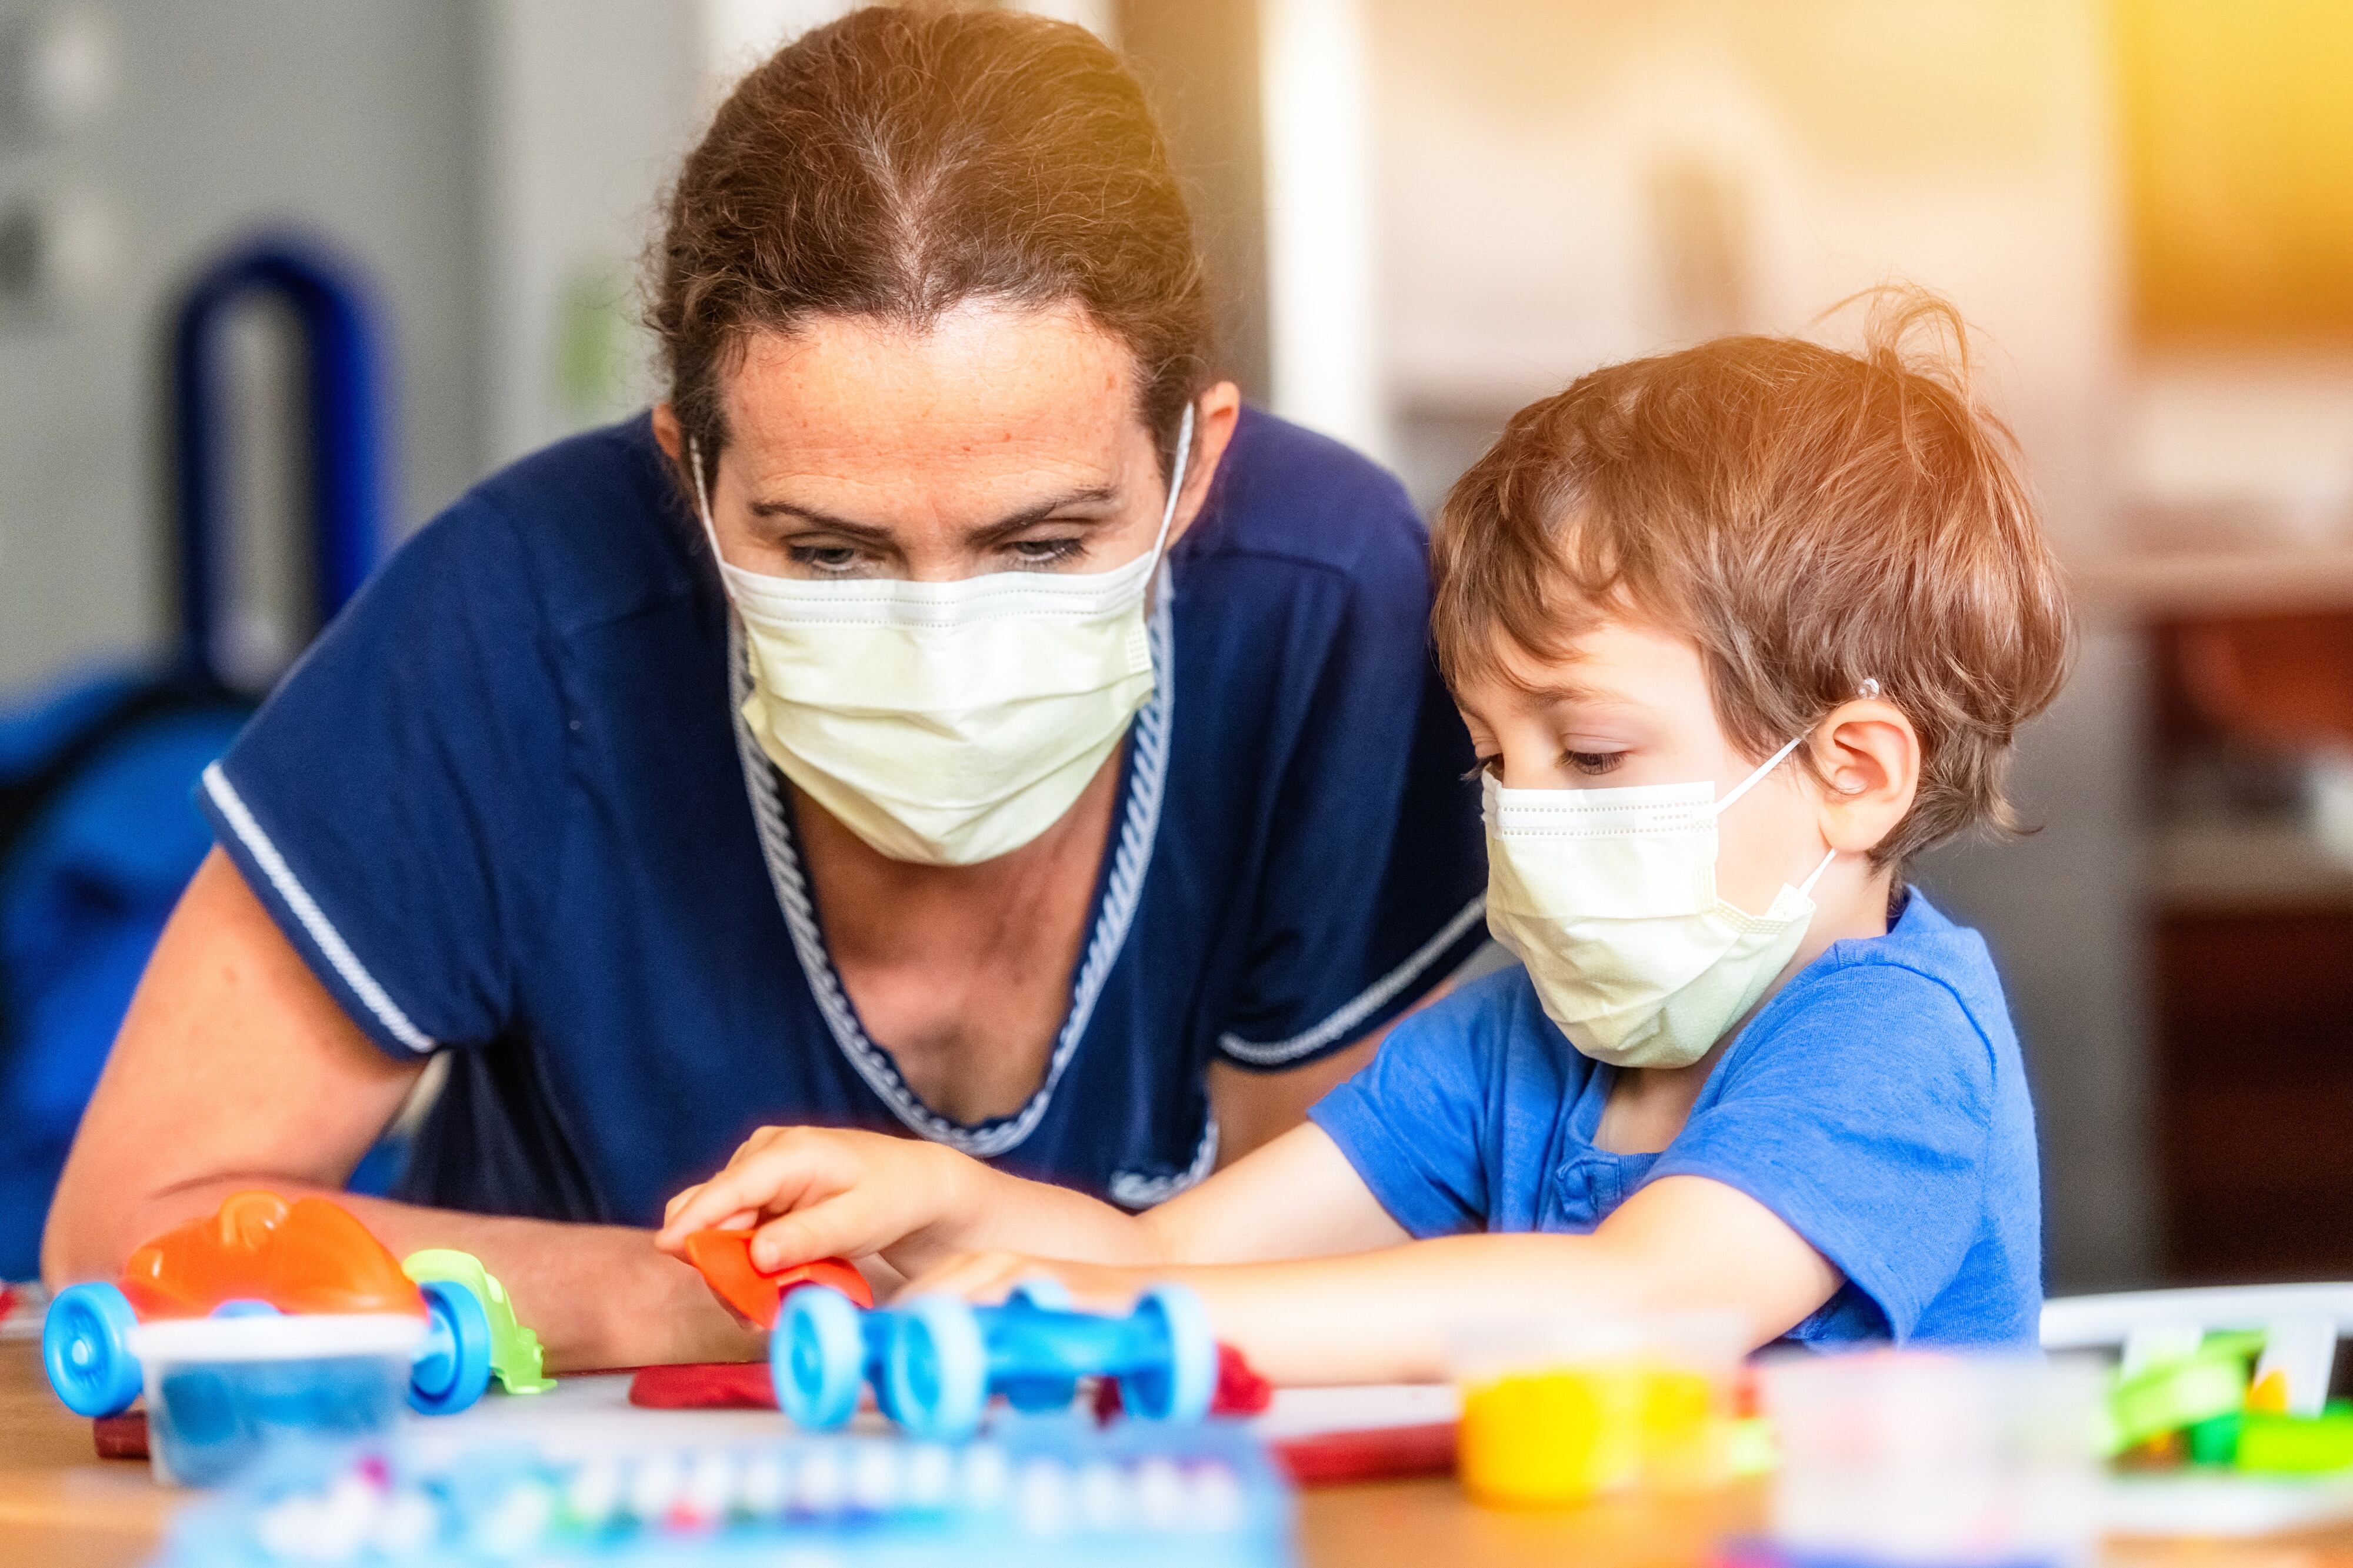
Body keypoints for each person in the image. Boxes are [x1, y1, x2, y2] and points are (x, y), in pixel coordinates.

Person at [42, 9, 1484, 1368]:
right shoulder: (524, 626)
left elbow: (1353, 1243)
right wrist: (688, 1302)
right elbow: (128, 1237)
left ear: (1196, 464)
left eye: (1041, 544)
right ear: (688, 478)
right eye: (829, 553)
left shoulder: (1318, 609)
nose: (944, 650)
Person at [658, 298, 2075, 1379]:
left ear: (1852, 771)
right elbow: (1167, 1257)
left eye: (1586, 754)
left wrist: (1127, 1315)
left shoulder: (1889, 1039)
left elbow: (1649, 1300)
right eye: (1491, 757)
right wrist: (942, 1206)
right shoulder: (1513, 1048)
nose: (1518, 814)